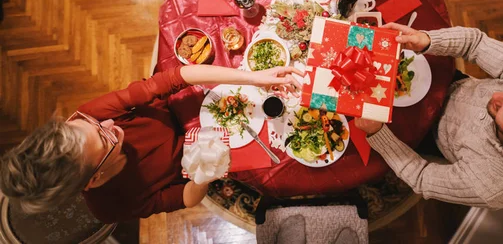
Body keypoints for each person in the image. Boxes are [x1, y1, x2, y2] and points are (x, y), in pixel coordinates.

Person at [0, 64, 303, 223]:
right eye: (104, 139)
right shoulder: (111, 206)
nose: (108, 124)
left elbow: (172, 78)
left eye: (90, 124)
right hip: (195, 158)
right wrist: (202, 174)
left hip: (180, 110)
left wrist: (253, 79)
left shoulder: (87, 118)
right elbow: (185, 198)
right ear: (94, 179)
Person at [355, 24, 503, 209]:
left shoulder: (495, 186)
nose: (496, 96)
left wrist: (378, 134)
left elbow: (421, 177)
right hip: (447, 85)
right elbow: (475, 44)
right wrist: (427, 39)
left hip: (429, 138)